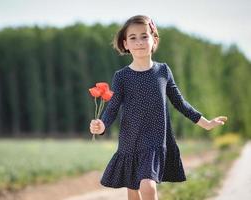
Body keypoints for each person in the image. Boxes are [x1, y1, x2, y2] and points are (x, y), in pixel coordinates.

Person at [89, 15, 227, 200]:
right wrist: (102, 125)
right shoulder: (122, 76)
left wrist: (206, 123)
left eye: (144, 36)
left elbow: (180, 102)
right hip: (129, 141)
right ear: (126, 44)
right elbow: (112, 108)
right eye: (133, 38)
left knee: (148, 187)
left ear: (154, 39)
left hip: (154, 141)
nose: (139, 42)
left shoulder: (163, 71)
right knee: (133, 192)